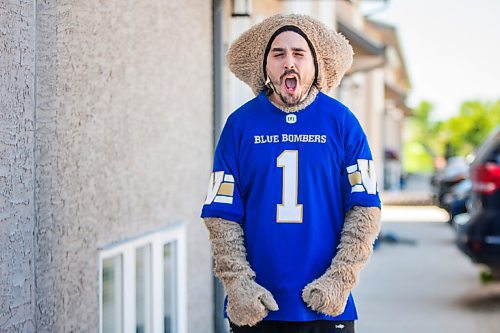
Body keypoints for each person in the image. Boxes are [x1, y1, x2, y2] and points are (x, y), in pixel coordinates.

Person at [201, 14, 381, 333]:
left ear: (315, 64)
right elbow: (221, 215)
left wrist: (340, 279)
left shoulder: (341, 122)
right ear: (265, 64)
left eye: (299, 53)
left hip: (326, 309)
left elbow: (365, 209)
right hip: (256, 309)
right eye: (278, 53)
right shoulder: (240, 125)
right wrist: (238, 284)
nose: (289, 62)